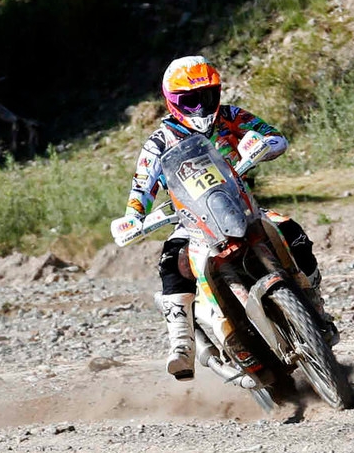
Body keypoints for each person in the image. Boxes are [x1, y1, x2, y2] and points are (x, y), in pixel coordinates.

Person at [125, 55, 333, 381]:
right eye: (190, 101)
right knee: (172, 261)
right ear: (173, 101)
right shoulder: (159, 143)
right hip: (192, 221)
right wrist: (134, 216)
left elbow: (273, 135)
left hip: (241, 205)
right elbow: (141, 187)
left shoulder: (232, 116)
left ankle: (314, 303)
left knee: (290, 230)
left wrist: (263, 145)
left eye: (207, 96)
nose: (200, 107)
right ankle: (181, 344)